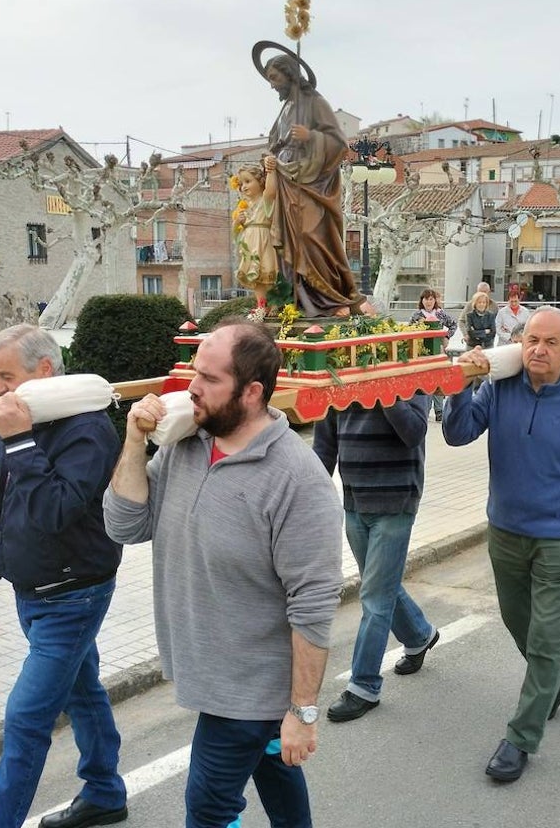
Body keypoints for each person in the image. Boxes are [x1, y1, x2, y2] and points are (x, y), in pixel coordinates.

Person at [104, 321, 343, 828]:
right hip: (207, 667)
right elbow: (126, 525)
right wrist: (134, 440)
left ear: (251, 392)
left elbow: (314, 605)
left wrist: (302, 712)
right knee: (273, 768)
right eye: (194, 373)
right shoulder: (185, 446)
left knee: (209, 807)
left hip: (249, 684)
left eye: (209, 379)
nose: (191, 388)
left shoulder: (298, 479)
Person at [444, 307, 560, 783]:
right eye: (531, 341)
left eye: (550, 342)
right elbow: (457, 433)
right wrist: (463, 379)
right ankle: (557, 683)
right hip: (506, 531)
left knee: (546, 638)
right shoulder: (499, 388)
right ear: (520, 344)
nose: (538, 350)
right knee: (515, 618)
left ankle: (520, 738)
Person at [0, 324, 127, 828]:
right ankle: (105, 793)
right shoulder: (20, 421)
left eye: (6, 376)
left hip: (74, 595)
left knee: (27, 716)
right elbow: (4, 506)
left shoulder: (88, 429)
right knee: (82, 691)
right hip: (32, 592)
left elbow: (55, 509)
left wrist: (18, 443)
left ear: (45, 370)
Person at [312, 396, 440, 723]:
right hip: (354, 499)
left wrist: (386, 393)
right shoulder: (341, 374)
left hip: (396, 499)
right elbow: (325, 444)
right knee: (380, 585)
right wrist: (308, 492)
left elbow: (414, 432)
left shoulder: (408, 375)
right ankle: (419, 636)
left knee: (374, 597)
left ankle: (364, 685)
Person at [262, 52, 364, 316]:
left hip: (312, 183)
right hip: (287, 180)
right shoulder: (285, 108)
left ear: (289, 74)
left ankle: (329, 298)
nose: (271, 84)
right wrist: (272, 160)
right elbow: (276, 141)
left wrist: (311, 136)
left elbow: (339, 143)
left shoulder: (316, 103)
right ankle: (295, 300)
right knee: (287, 241)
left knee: (310, 235)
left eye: (274, 78)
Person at [233, 159, 279, 310]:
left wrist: (270, 170)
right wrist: (237, 223)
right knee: (256, 279)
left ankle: (273, 305)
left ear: (260, 182)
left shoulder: (264, 201)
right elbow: (236, 235)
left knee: (267, 274)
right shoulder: (244, 207)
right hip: (249, 245)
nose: (244, 186)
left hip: (263, 242)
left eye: (247, 181)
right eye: (241, 184)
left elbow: (271, 191)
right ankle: (261, 306)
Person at [410, 288, 458, 420]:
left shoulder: (441, 314)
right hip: (422, 353)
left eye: (431, 299)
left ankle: (439, 411)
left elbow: (454, 324)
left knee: (438, 380)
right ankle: (424, 409)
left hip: (439, 351)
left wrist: (447, 337)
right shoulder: (417, 315)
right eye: (426, 299)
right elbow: (409, 331)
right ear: (422, 301)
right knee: (424, 381)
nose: (429, 302)